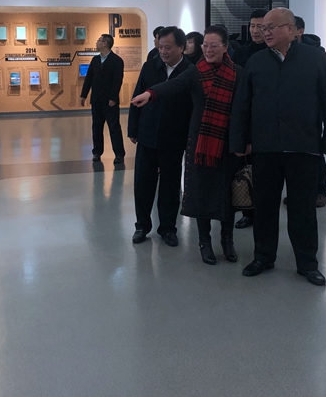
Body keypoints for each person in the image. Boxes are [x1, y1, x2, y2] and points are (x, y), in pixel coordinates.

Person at [230, 8, 326, 285]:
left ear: (291, 29)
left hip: (303, 146)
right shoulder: (256, 61)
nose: (265, 32)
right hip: (265, 147)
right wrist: (239, 141)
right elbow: (243, 104)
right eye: (263, 28)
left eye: (272, 27)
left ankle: (307, 262)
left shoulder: (314, 58)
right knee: (264, 206)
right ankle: (263, 256)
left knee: (303, 209)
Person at [132, 25, 242, 265]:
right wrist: (150, 94)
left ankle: (227, 241)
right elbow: (172, 86)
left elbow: (243, 109)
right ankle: (204, 242)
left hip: (225, 142)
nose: (209, 50)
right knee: (200, 192)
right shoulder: (195, 72)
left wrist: (244, 141)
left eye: (214, 45)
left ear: (225, 47)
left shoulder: (237, 74)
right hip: (200, 142)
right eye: (206, 45)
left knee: (226, 194)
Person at [127, 27, 193, 246]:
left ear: (181, 47)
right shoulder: (150, 66)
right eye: (160, 47)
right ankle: (141, 226)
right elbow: (137, 96)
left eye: (168, 47)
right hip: (148, 134)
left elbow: (192, 107)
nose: (163, 51)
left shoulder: (189, 71)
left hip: (174, 138)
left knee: (170, 185)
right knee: (143, 183)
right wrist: (133, 129)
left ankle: (168, 228)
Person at [233, 8, 268, 229]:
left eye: (260, 27)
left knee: (265, 174)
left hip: (267, 121)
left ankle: (264, 213)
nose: (255, 31)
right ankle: (248, 212)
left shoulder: (273, 53)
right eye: (252, 26)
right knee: (245, 170)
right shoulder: (240, 53)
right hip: (246, 117)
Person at [295, 15, 326, 208]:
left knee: (315, 153)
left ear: (300, 31)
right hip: (292, 113)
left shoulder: (316, 54)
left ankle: (320, 191)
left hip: (312, 112)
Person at [80, 34, 126, 163]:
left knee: (114, 127)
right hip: (96, 99)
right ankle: (97, 152)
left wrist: (113, 97)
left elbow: (117, 81)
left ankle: (119, 154)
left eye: (99, 40)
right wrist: (83, 95)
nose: (97, 42)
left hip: (110, 101)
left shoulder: (117, 61)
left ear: (105, 43)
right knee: (96, 127)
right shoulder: (95, 60)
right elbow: (89, 78)